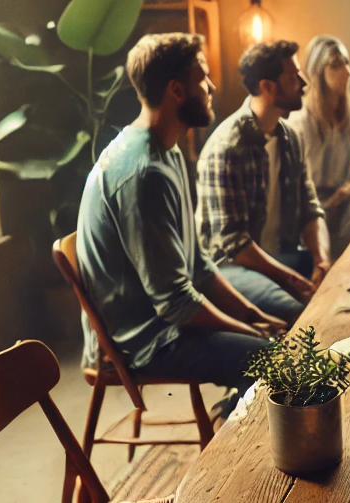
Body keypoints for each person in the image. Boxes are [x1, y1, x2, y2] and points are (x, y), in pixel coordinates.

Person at [75, 33, 284, 419]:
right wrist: (250, 332)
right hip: (142, 341)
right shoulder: (144, 173)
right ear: (176, 90)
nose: (212, 87)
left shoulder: (166, 149)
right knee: (275, 361)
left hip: (164, 319)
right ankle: (232, 434)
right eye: (203, 77)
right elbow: (175, 303)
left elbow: (197, 264)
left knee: (276, 330)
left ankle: (230, 412)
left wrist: (252, 315)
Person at [196, 40, 332, 322]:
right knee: (305, 317)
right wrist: (294, 281)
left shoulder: (290, 138)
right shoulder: (228, 147)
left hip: (279, 257)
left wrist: (321, 261)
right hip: (228, 270)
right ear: (267, 87)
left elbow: (310, 207)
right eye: (293, 78)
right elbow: (234, 245)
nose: (303, 84)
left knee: (341, 283)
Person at [287, 35, 350, 259]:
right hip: (311, 209)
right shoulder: (299, 121)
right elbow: (293, 183)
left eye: (347, 63)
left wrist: (349, 189)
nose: (347, 72)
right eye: (336, 65)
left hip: (345, 203)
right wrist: (321, 204)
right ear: (317, 71)